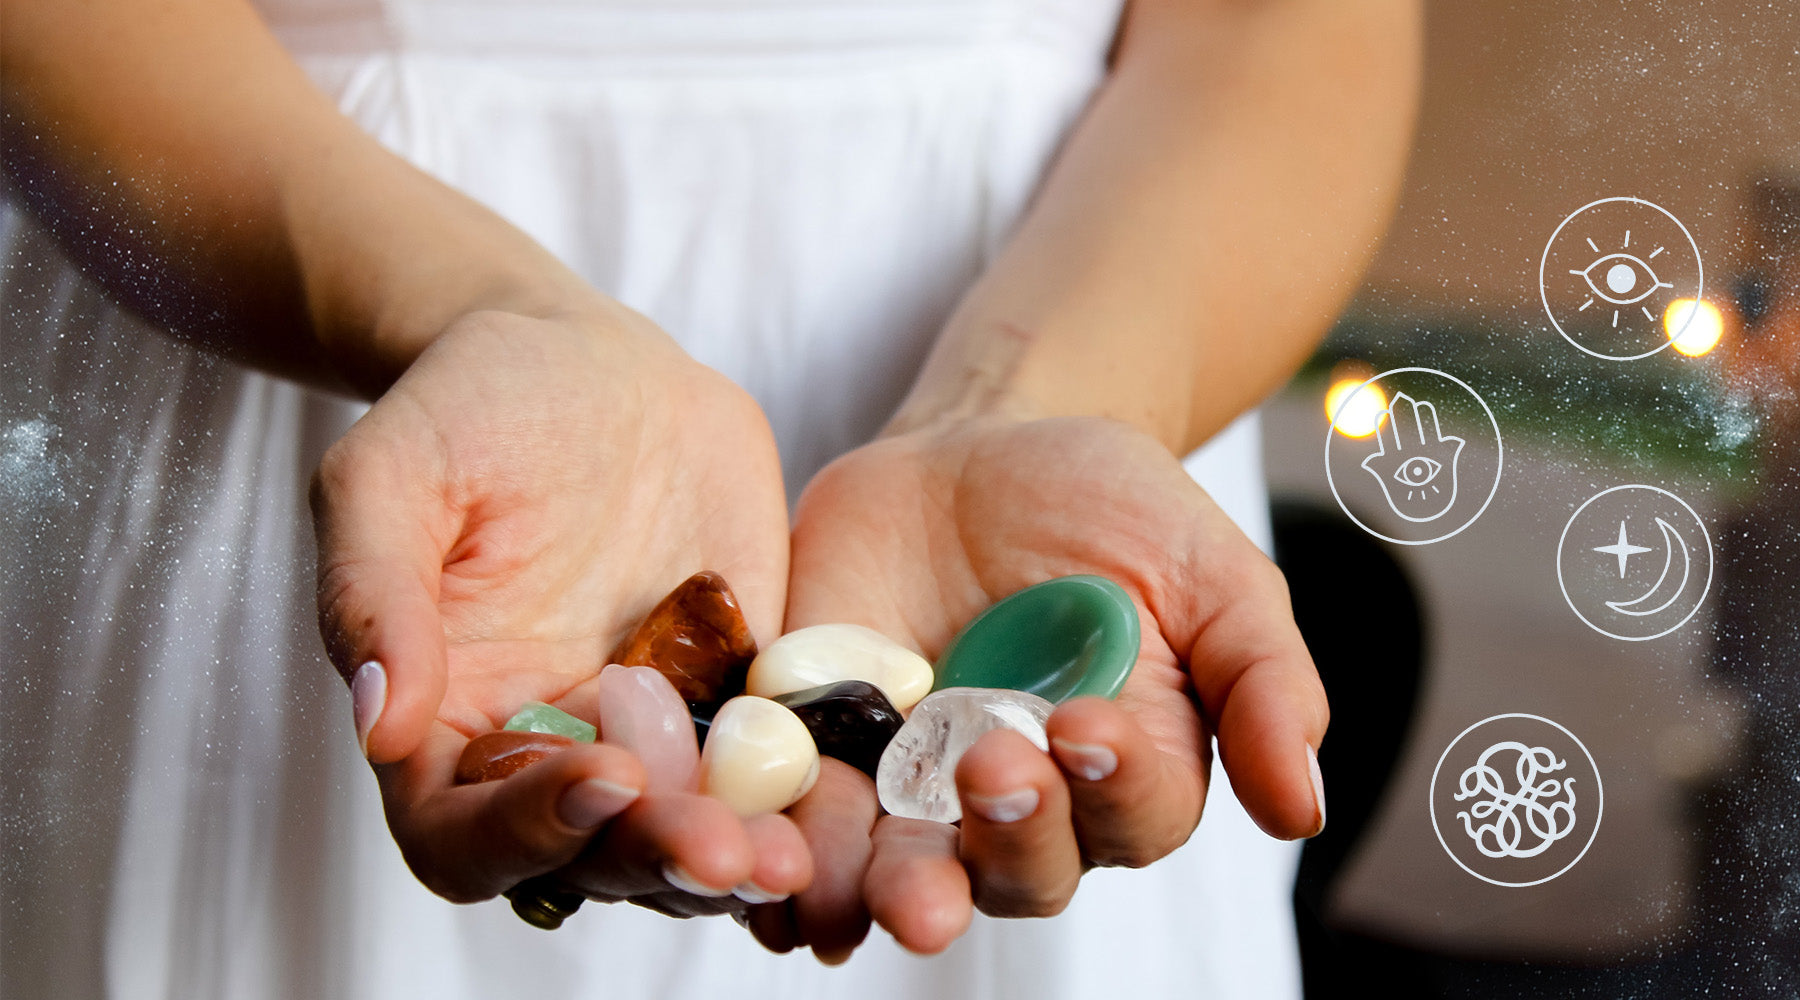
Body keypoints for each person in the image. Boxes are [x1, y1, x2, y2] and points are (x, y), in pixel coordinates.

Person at [0, 0, 1420, 996]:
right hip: (296, 278)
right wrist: (475, 310)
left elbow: (1283, 26)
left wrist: (1052, 397)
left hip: (1085, 281)